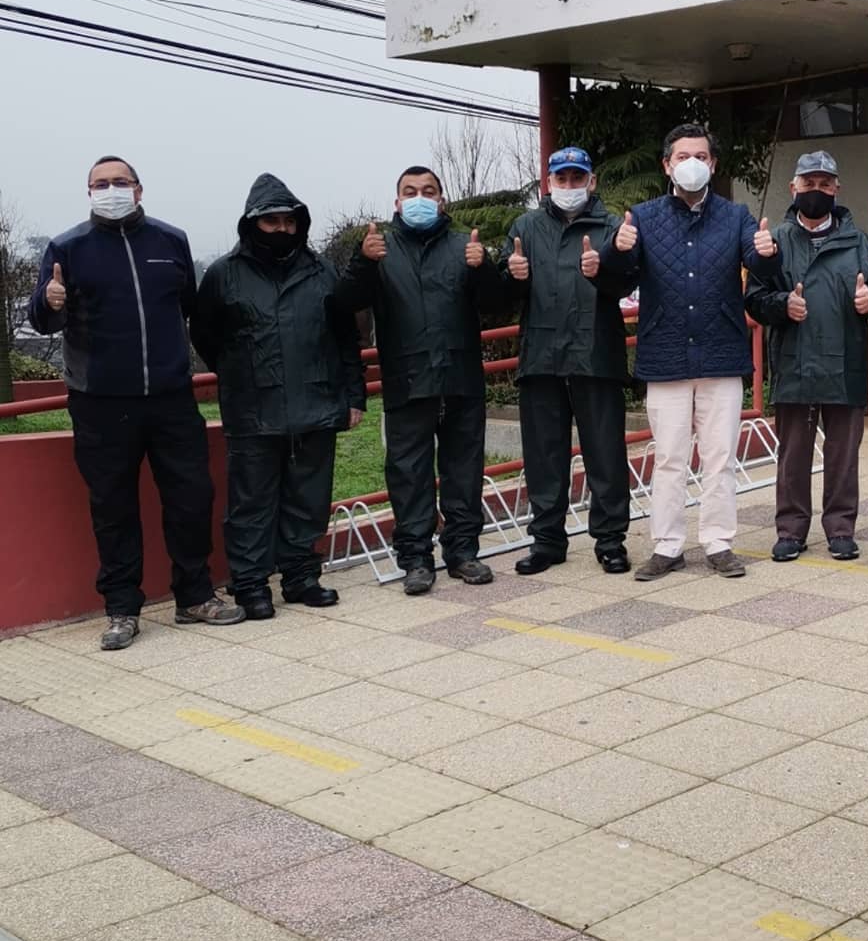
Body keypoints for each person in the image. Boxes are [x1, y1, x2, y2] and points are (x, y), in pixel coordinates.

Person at [27, 156, 245, 650]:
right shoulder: (67, 247)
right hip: (100, 403)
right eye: (100, 184)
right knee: (113, 508)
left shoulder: (171, 241)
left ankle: (194, 596)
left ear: (140, 190)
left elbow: (192, 311)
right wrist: (49, 300)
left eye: (120, 182)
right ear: (88, 194)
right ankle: (122, 609)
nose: (111, 190)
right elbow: (43, 319)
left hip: (171, 397)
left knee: (191, 498)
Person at [599, 123, 781, 581]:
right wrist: (616, 252)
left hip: (721, 353)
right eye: (682, 156)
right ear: (667, 165)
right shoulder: (640, 218)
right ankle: (667, 545)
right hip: (665, 355)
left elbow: (759, 267)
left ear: (713, 164)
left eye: (700, 155)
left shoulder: (736, 217)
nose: (692, 163)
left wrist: (766, 252)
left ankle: (719, 542)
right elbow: (617, 282)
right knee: (669, 458)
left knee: (720, 457)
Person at [191, 174, 365, 620]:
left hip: (316, 402)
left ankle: (301, 576)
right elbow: (206, 336)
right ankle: (250, 585)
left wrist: (353, 396)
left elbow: (346, 336)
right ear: (252, 224)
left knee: (309, 499)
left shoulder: (321, 270)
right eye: (271, 221)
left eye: (289, 221)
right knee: (251, 503)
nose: (282, 229)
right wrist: (239, 373)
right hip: (253, 409)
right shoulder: (223, 275)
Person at [334, 165, 506, 596]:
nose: (419, 197)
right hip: (406, 381)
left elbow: (498, 304)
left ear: (441, 199)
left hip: (461, 378)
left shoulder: (463, 246)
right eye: (410, 191)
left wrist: (483, 268)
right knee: (408, 474)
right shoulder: (380, 251)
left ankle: (463, 552)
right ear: (396, 202)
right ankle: (414, 559)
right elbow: (343, 303)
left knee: (464, 470)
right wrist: (361, 262)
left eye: (428, 190)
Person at [745, 152, 868, 562]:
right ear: (794, 188)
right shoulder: (774, 242)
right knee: (793, 455)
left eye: (825, 185)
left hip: (844, 363)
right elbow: (755, 298)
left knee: (844, 455)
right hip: (794, 361)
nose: (816, 192)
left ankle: (841, 529)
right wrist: (781, 307)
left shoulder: (858, 241)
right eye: (808, 184)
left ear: (836, 190)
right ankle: (790, 531)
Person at [500, 148, 634, 576]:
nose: (570, 187)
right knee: (543, 453)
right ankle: (547, 540)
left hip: (597, 352)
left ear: (591, 182)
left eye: (578, 179)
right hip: (541, 355)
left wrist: (603, 269)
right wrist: (509, 276)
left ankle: (610, 540)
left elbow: (628, 285)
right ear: (550, 182)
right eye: (563, 179)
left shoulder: (613, 226)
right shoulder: (525, 227)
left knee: (606, 453)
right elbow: (503, 293)